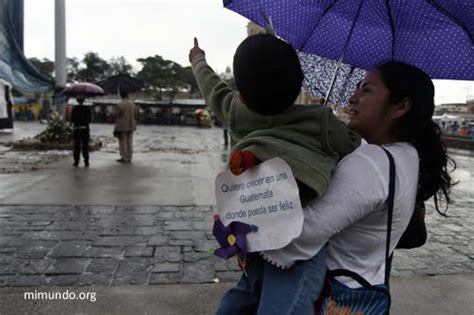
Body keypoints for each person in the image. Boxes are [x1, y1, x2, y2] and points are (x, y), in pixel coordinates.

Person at [259, 61, 456, 313]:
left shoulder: (371, 162)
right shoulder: (406, 156)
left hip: (329, 297)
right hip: (364, 293)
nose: (352, 98)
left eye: (366, 90)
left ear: (401, 107)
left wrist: (249, 220)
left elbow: (299, 233)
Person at [189, 35, 361, 314]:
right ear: (297, 87)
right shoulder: (321, 121)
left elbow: (213, 90)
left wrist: (198, 60)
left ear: (242, 93)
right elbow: (353, 145)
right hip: (299, 229)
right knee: (294, 294)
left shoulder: (236, 111)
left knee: (247, 287)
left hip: (253, 223)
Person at [114, 90, 138, 163]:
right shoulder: (133, 104)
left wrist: (116, 127)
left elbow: (117, 116)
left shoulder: (120, 105)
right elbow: (136, 115)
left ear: (121, 95)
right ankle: (129, 157)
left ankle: (124, 157)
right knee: (129, 141)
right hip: (131, 125)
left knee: (123, 142)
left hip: (122, 126)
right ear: (127, 95)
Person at [70, 95, 91, 167]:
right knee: (85, 146)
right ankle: (86, 161)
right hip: (85, 129)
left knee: (76, 146)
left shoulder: (74, 109)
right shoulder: (87, 109)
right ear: (84, 100)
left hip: (76, 129)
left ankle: (76, 161)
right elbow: (89, 119)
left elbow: (72, 119)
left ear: (77, 101)